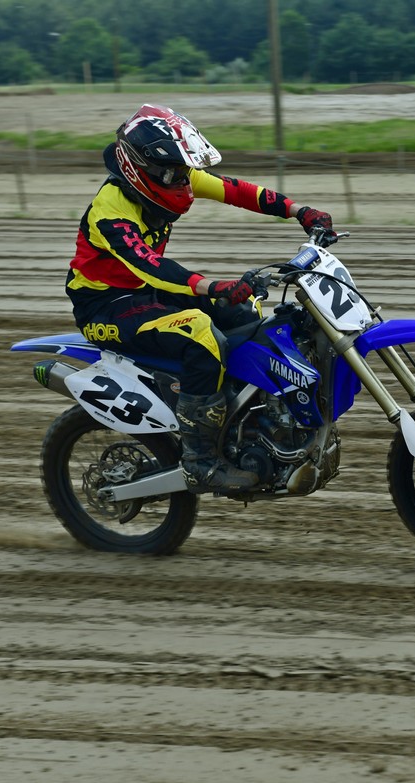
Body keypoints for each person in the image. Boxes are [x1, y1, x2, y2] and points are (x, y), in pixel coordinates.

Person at [66, 104, 335, 494]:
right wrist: (213, 286)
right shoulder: (110, 211)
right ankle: (200, 462)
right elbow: (150, 266)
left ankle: (249, 422)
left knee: (244, 312)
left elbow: (236, 191)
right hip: (105, 307)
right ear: (139, 168)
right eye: (172, 174)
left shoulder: (172, 176)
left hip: (146, 293)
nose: (182, 181)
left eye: (182, 171)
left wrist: (300, 211)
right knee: (200, 333)